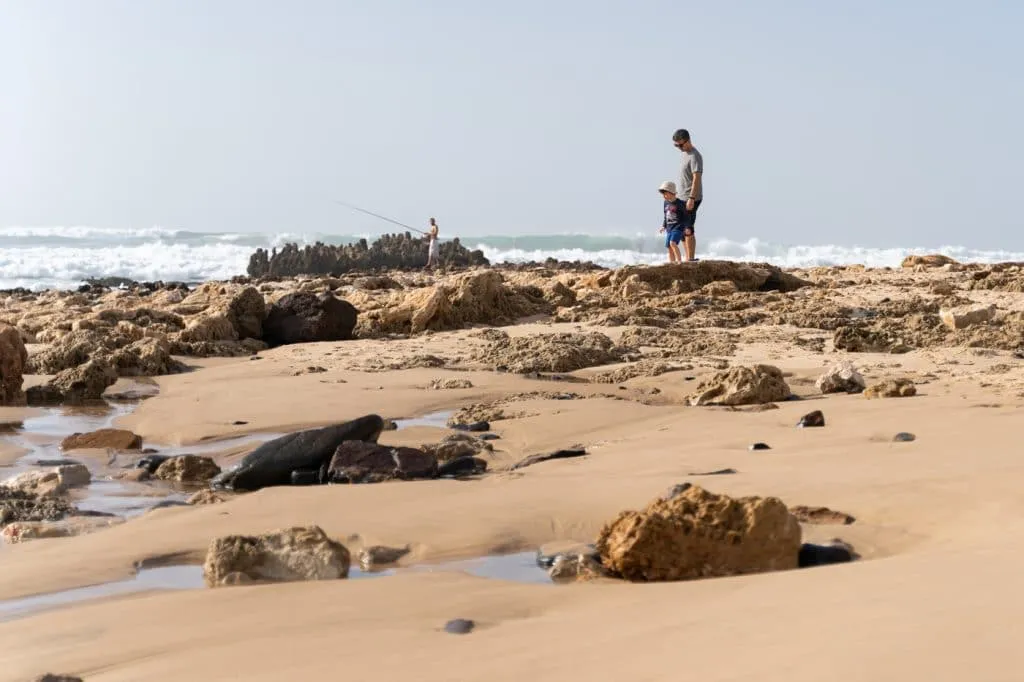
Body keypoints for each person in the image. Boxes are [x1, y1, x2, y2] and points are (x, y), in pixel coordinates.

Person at [672, 128, 703, 261]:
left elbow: (697, 178)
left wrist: (691, 198)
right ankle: (688, 259)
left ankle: (690, 259)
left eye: (680, 144)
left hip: (691, 197)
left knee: (688, 228)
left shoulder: (695, 156)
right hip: (682, 197)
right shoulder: (685, 153)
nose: (679, 147)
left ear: (688, 140)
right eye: (676, 145)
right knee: (682, 229)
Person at [658, 181, 686, 263]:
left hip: (678, 227)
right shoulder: (665, 203)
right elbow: (665, 215)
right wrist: (663, 226)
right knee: (669, 247)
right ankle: (672, 263)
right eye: (662, 194)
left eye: (665, 193)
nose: (663, 196)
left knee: (672, 243)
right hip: (669, 228)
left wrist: (686, 227)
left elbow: (685, 216)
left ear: (672, 193)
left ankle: (679, 262)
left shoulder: (680, 203)